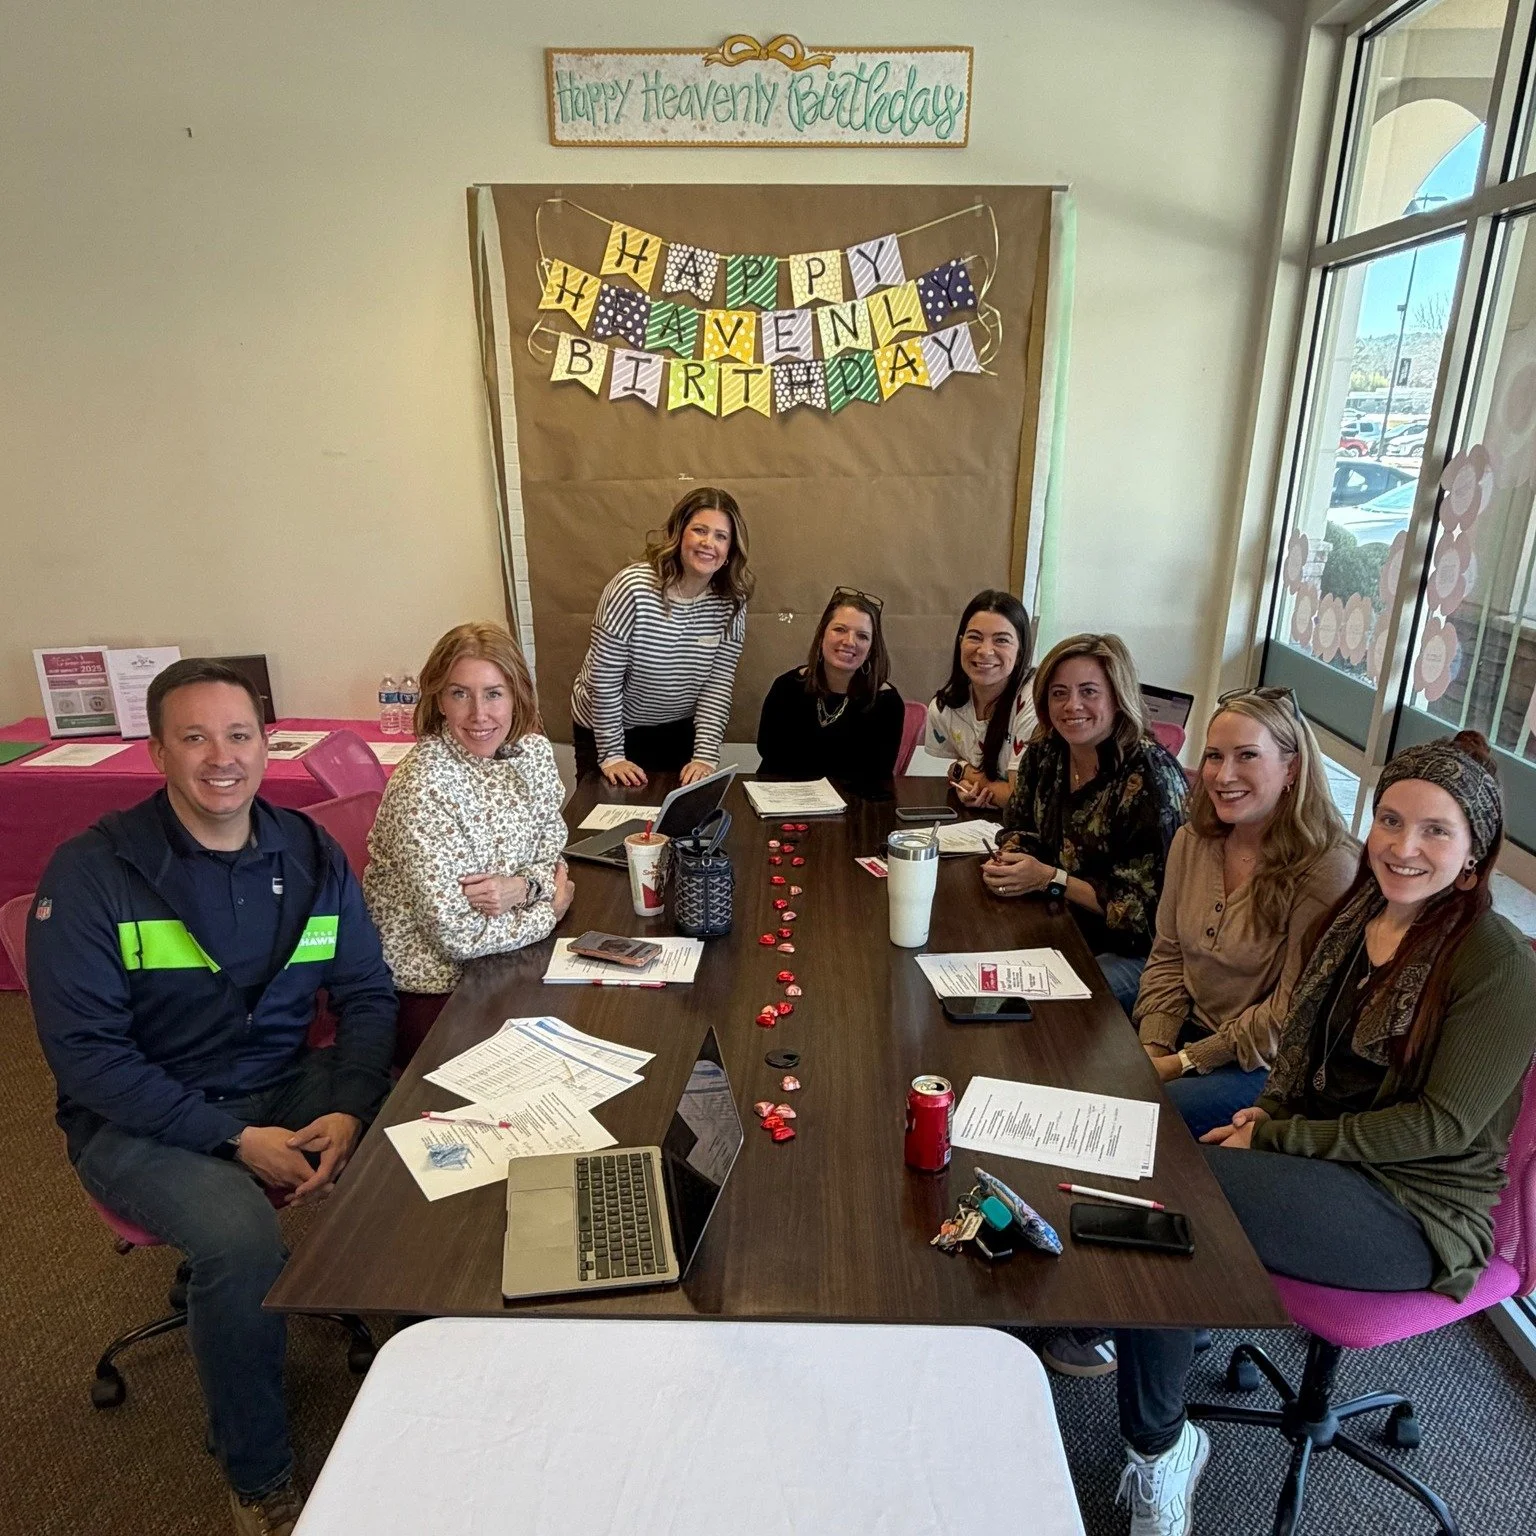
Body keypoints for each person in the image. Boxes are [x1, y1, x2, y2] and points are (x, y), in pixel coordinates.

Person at [1110, 733, 1536, 1536]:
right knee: (1157, 1171)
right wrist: (1269, 1114)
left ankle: (1161, 1447)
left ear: (1475, 854)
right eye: (1390, 820)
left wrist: (1279, 1143)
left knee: (1169, 1190)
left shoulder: (1497, 963)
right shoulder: (1359, 921)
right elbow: (1306, 1058)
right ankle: (1164, 1383)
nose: (1403, 847)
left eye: (1435, 831)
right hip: (1336, 1167)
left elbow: (1437, 1125)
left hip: (1418, 1212)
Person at [27, 658, 398, 1536]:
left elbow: (368, 995)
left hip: (278, 1080)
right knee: (240, 1239)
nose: (220, 758)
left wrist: (348, 1105)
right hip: (138, 1115)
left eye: (238, 736)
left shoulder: (308, 855)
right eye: (194, 738)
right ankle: (259, 1476)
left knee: (425, 1130)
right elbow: (86, 1058)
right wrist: (234, 1137)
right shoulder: (92, 874)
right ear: (158, 752)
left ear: (268, 746)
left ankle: (438, 1363)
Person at [1134, 688, 1355, 1138]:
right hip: (1185, 1031)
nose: (1223, 774)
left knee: (1150, 1119)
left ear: (1291, 767)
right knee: (1079, 1039)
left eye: (1247, 755)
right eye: (1214, 756)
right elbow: (1168, 956)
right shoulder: (1193, 840)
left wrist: (1179, 1065)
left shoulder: (1328, 866)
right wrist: (1152, 1047)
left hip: (1262, 1065)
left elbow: (1288, 1015)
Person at [365, 622, 574, 1065]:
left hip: (509, 957)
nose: (480, 714)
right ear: (438, 700)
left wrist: (523, 887)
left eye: (494, 693)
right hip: (441, 990)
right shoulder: (424, 785)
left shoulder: (530, 752)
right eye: (460, 694)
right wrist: (549, 910)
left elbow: (550, 852)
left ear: (517, 694)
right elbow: (457, 936)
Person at [982, 633, 1188, 1013]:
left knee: (1036, 1005)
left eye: (1089, 692)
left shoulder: (1150, 778)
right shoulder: (1044, 754)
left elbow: (1142, 914)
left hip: (1135, 953)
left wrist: (1049, 879)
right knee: (977, 970)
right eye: (1059, 693)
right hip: (1062, 922)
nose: (1072, 705)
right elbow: (1019, 828)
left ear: (1116, 697)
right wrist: (1011, 861)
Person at [571, 486, 754, 787]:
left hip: (674, 728)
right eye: (699, 530)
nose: (709, 543)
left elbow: (717, 684)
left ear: (730, 550)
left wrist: (705, 756)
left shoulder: (732, 601)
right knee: (608, 820)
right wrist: (612, 755)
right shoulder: (631, 587)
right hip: (607, 728)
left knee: (671, 823)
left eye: (721, 536)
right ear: (679, 534)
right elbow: (604, 679)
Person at [755, 587, 904, 788]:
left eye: (862, 636)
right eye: (840, 629)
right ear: (822, 634)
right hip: (782, 801)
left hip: (851, 809)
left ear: (870, 650)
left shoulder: (887, 703)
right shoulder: (787, 687)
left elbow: (875, 776)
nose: (849, 642)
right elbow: (770, 753)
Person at [924, 590, 1037, 809]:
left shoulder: (1032, 700)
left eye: (1001, 640)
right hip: (980, 827)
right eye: (974, 637)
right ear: (960, 643)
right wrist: (964, 783)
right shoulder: (944, 707)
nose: (985, 651)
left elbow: (1017, 799)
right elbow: (963, 780)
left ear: (1020, 652)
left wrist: (962, 772)